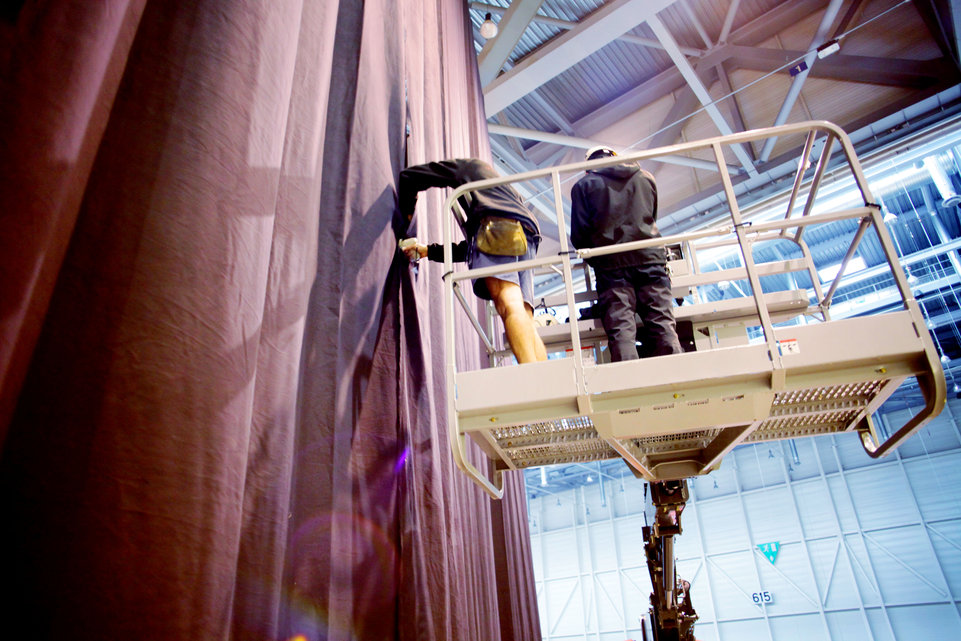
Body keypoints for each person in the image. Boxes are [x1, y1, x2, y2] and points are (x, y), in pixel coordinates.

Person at [398, 158, 547, 364]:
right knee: (524, 313)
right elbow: (476, 247)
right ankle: (544, 378)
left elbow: (411, 177)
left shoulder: (470, 169)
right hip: (527, 235)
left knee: (507, 303)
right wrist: (428, 251)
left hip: (501, 226)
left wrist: (404, 219)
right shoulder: (500, 193)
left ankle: (535, 382)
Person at [570, 146, 682, 361]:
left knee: (621, 333)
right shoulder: (645, 177)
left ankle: (632, 387)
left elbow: (580, 236)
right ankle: (679, 381)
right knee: (664, 327)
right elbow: (651, 217)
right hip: (651, 259)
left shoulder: (584, 185)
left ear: (587, 166)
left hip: (611, 267)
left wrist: (596, 259)